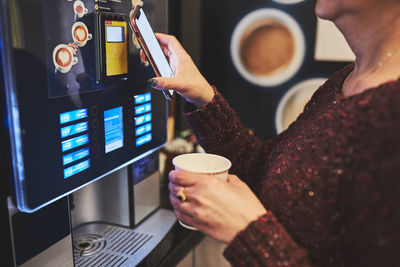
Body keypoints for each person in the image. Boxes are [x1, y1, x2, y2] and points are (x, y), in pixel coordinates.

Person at [148, 0, 400, 266]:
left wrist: (248, 231)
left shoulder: (390, 111)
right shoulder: (348, 78)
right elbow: (266, 170)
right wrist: (202, 96)